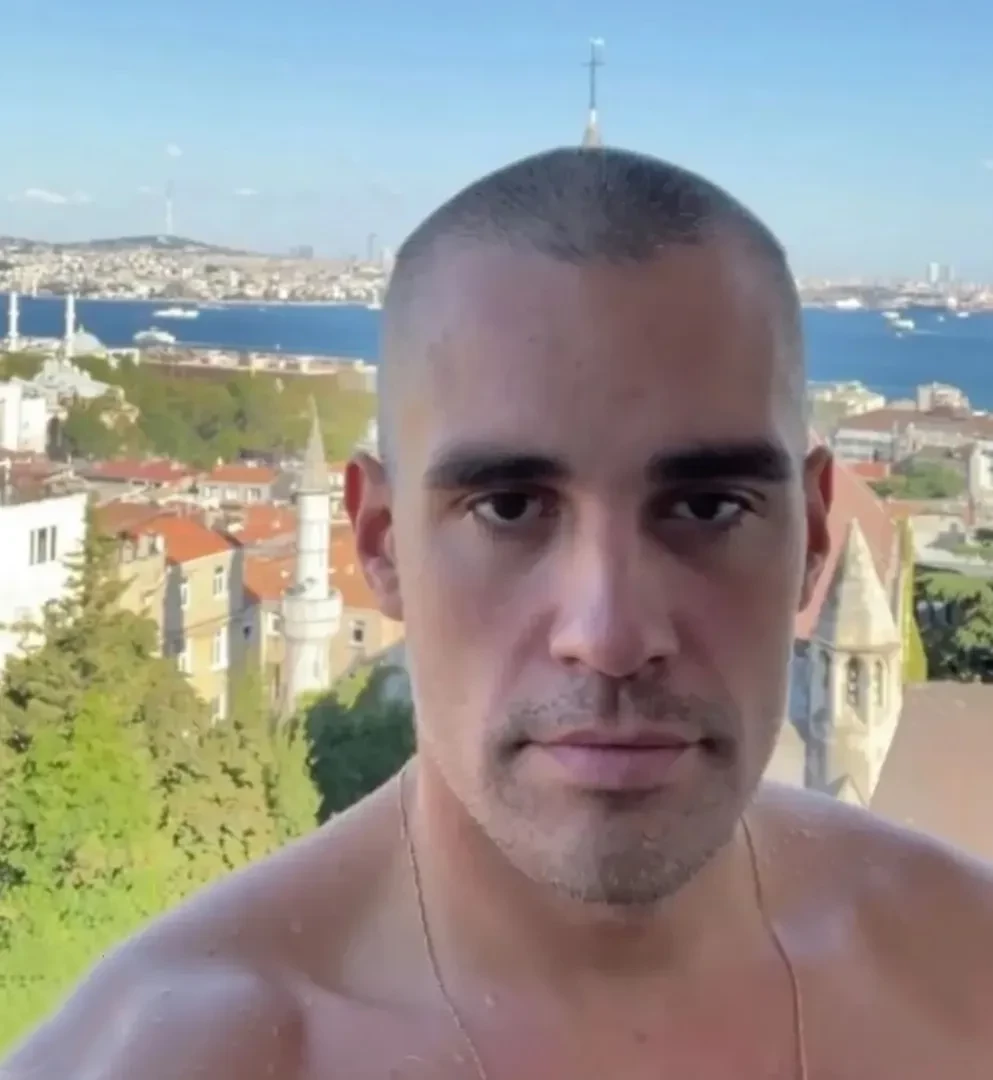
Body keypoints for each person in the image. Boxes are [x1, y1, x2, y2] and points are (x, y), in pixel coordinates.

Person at [4, 147, 993, 1080]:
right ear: (382, 543)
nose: (610, 637)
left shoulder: (964, 967)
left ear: (813, 537)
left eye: (706, 507)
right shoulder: (177, 1056)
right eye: (509, 508)